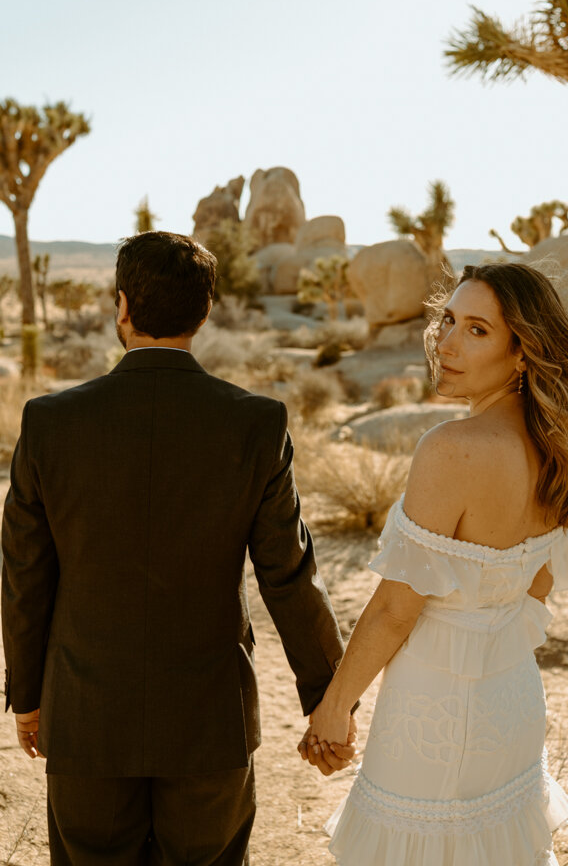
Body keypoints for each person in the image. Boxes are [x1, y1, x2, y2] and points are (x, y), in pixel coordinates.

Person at [1, 230, 355, 866]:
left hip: (86, 718)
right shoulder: (256, 422)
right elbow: (290, 575)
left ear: (122, 308)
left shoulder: (49, 422)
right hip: (209, 722)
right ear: (205, 311)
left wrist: (27, 695)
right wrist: (329, 699)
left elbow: (25, 572)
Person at [300, 261, 568, 866]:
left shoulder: (449, 448)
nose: (446, 343)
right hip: (512, 701)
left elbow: (395, 609)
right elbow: (535, 594)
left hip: (432, 708)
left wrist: (334, 708)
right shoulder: (560, 447)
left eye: (477, 330)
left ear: (524, 354)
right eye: (448, 321)